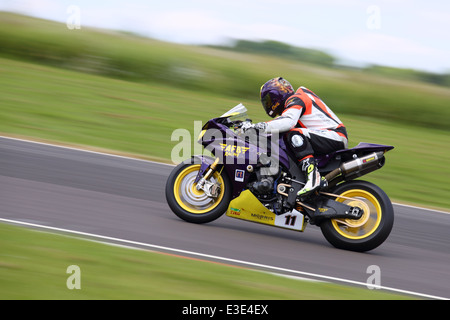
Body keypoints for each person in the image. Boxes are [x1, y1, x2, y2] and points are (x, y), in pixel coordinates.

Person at [243, 77, 348, 197]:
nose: (268, 104)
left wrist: (257, 127)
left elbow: (288, 122)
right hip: (326, 136)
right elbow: (279, 123)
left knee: (294, 134)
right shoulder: (292, 106)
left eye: (268, 100)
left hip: (334, 135)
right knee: (283, 138)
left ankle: (313, 178)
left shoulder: (297, 98)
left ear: (277, 95)